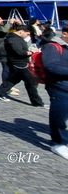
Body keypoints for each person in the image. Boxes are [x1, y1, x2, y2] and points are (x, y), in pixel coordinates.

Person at [0, 23, 45, 106]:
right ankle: (37, 102)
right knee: (31, 82)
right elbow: (20, 52)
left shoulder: (14, 38)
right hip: (20, 63)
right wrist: (31, 52)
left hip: (17, 63)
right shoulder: (14, 39)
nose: (27, 36)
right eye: (27, 34)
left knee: (13, 80)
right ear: (21, 32)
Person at [43, 26, 68, 160]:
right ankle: (58, 143)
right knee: (59, 116)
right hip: (60, 87)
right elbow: (51, 66)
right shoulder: (52, 46)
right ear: (65, 34)